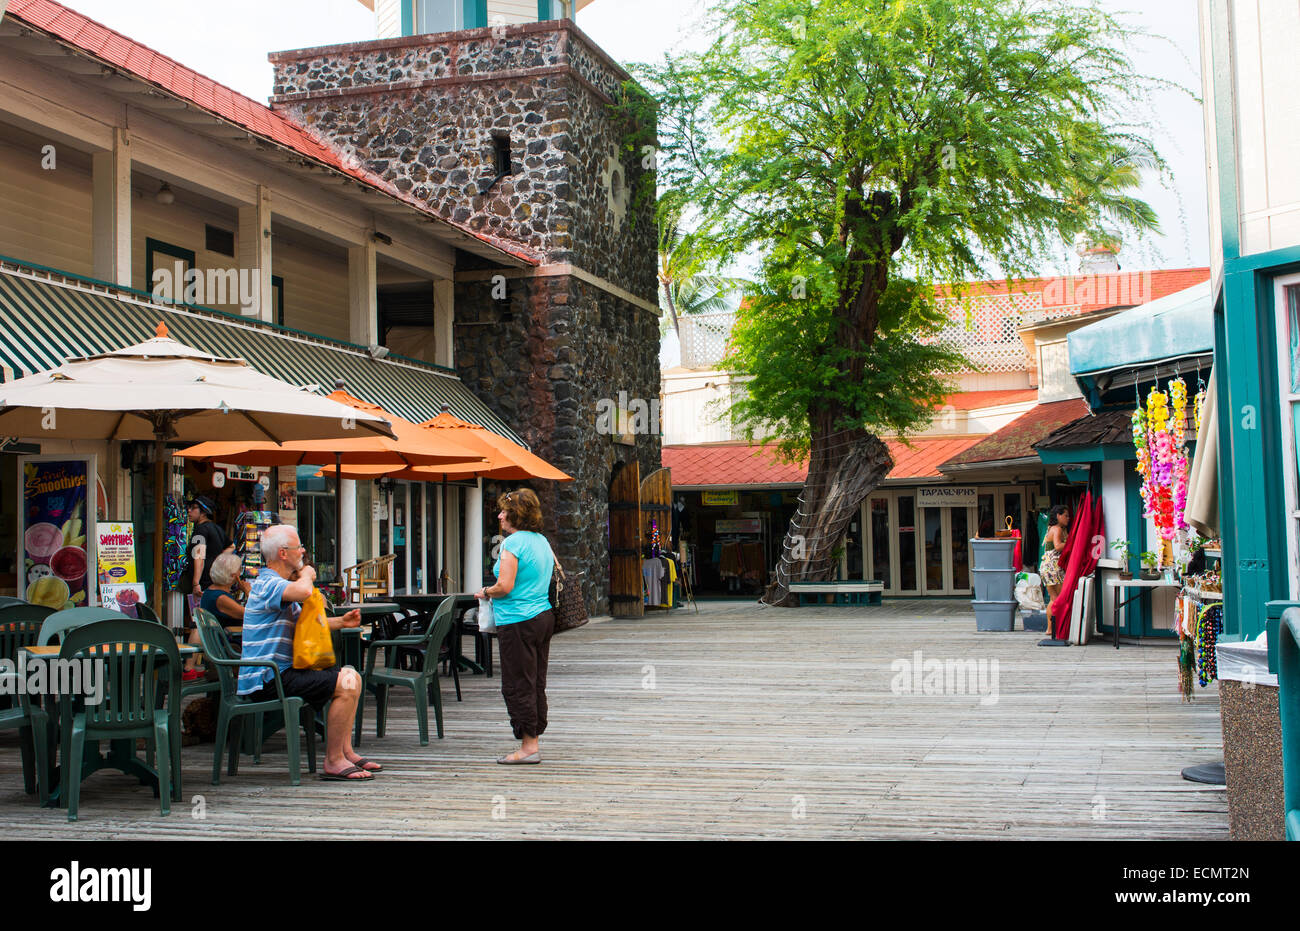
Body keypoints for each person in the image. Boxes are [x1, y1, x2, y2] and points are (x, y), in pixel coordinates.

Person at [237, 524, 380, 781]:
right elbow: (304, 592)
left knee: (351, 674)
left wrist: (341, 622)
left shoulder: (278, 585)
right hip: (267, 678)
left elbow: (306, 626)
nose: (303, 550)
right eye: (298, 547)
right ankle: (333, 760)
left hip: (281, 673)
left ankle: (345, 751)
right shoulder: (267, 583)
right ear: (283, 553)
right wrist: (307, 573)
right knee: (346, 683)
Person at [475, 489, 555, 765]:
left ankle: (528, 747)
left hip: (518, 621)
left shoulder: (513, 544)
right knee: (536, 681)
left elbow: (505, 586)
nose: (499, 515)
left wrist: (486, 590)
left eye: (503, 511)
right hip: (542, 617)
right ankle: (533, 737)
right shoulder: (541, 541)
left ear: (515, 515)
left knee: (518, 682)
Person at [182, 495, 232, 678]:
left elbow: (199, 557)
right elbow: (231, 546)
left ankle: (188, 667)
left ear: (202, 511)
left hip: (202, 583)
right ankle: (207, 664)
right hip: (215, 582)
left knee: (197, 623)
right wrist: (218, 560)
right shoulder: (217, 529)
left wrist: (195, 582)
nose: (189, 510)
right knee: (209, 623)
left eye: (193, 507)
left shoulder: (200, 531)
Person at [199, 551, 249, 630]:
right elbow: (252, 615)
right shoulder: (221, 598)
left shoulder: (210, 591)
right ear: (233, 575)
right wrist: (248, 591)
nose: (240, 573)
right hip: (229, 640)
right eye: (240, 570)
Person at [1039, 505, 1070, 632]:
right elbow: (1057, 546)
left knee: (1053, 598)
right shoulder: (1057, 529)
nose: (1068, 518)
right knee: (1059, 598)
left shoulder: (1050, 528)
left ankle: (1050, 628)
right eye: (1066, 515)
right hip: (1054, 566)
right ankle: (1056, 628)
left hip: (1046, 566)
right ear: (1058, 516)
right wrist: (1072, 543)